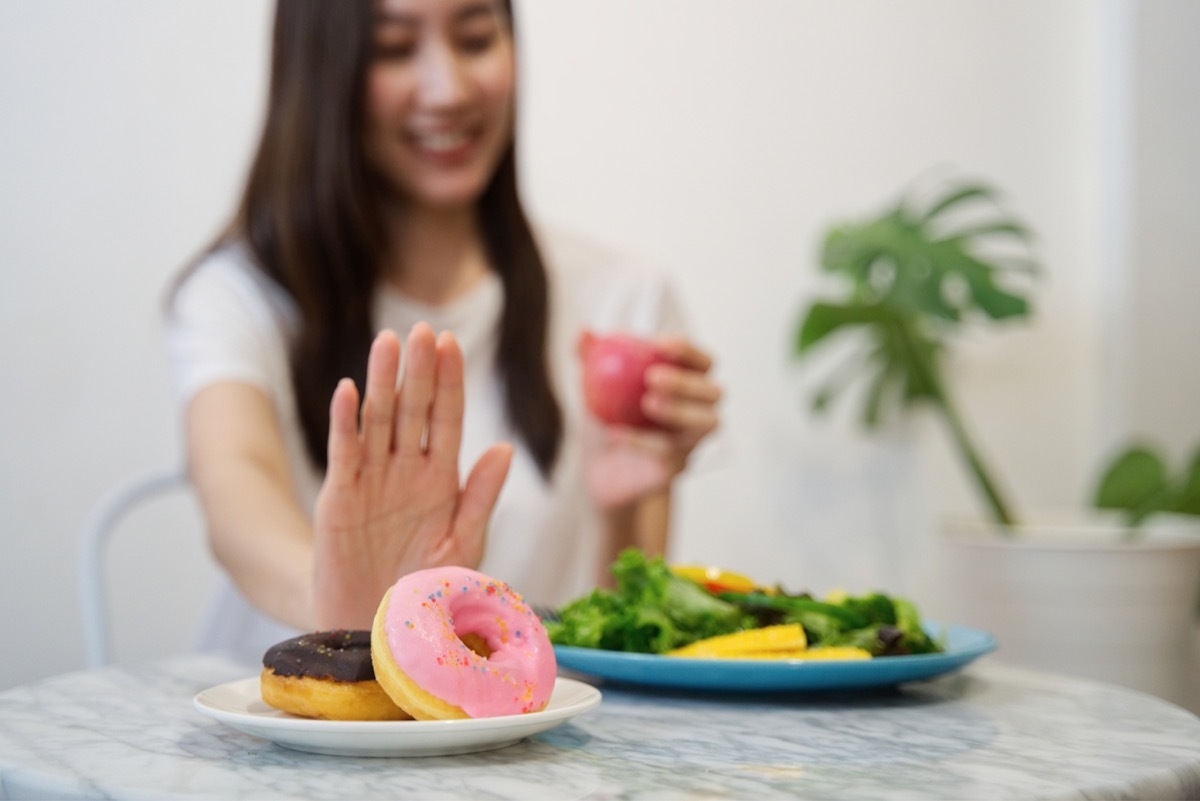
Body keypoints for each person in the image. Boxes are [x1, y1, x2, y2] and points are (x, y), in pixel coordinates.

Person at [165, 0, 721, 664]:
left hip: (504, 746)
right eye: (395, 48)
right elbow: (235, 484)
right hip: (284, 736)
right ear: (321, 71)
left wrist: (626, 508)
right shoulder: (240, 295)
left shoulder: (624, 297)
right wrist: (338, 598)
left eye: (477, 38)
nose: (450, 90)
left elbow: (618, 656)